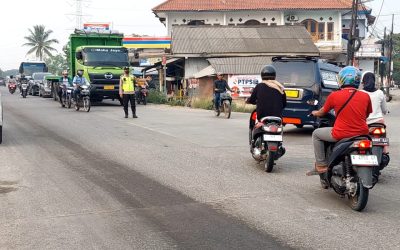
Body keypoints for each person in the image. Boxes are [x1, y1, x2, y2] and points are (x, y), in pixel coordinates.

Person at [309, 66, 372, 182]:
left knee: (316, 134)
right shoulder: (365, 96)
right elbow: (366, 115)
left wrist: (315, 113)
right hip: (362, 134)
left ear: (342, 79)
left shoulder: (334, 95)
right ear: (357, 80)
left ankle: (321, 165)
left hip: (341, 133)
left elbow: (323, 112)